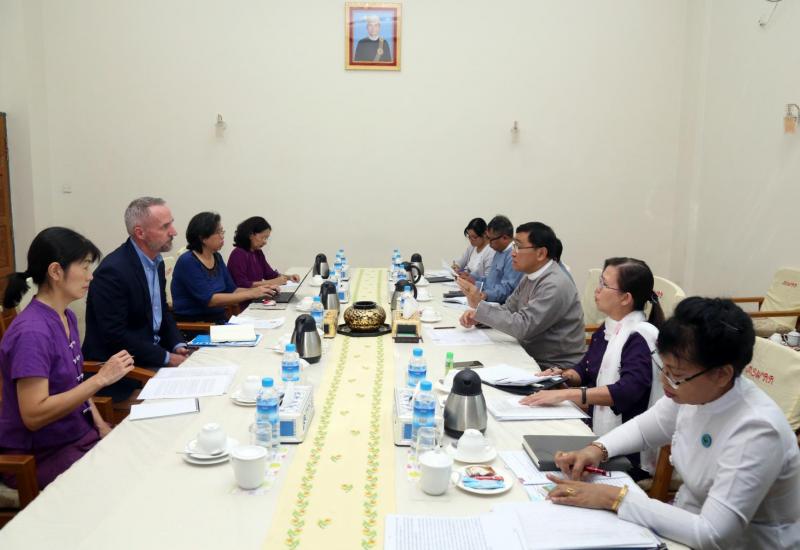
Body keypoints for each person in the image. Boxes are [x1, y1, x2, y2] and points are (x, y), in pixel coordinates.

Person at [546, 298, 800, 550]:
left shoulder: (757, 430)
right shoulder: (696, 392)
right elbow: (646, 427)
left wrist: (614, 498)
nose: (665, 382)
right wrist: (596, 450)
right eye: (664, 369)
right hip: (682, 521)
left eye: (676, 375)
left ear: (722, 374)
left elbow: (713, 534)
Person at [0, 228, 135, 489]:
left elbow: (75, 384)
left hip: (77, 436)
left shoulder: (66, 316)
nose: (90, 276)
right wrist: (100, 379)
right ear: (55, 271)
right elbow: (34, 414)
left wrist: (100, 426)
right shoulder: (32, 333)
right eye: (84, 267)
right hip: (41, 454)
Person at [520, 257, 664, 473]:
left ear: (625, 298)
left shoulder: (639, 337)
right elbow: (587, 367)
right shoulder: (609, 328)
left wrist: (568, 394)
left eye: (604, 285)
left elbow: (627, 391)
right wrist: (565, 375)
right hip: (595, 426)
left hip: (627, 449)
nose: (597, 290)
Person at [83, 197, 188, 402]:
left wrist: (177, 345)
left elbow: (162, 312)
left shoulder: (156, 262)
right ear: (140, 233)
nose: (174, 232)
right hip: (125, 372)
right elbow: (115, 336)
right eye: (165, 226)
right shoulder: (113, 271)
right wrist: (167, 358)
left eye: (172, 224)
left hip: (152, 357)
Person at [459, 222, 584, 369]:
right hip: (530, 354)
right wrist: (479, 316)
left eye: (518, 247)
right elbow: (508, 309)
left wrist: (480, 305)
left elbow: (523, 326)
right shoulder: (530, 276)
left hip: (554, 367)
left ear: (541, 253)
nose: (512, 253)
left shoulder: (554, 284)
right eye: (514, 246)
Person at [170, 212, 274, 323]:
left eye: (222, 231)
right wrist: (252, 293)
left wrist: (261, 290)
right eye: (218, 232)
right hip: (197, 325)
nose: (222, 236)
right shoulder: (188, 262)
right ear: (203, 237)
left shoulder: (216, 257)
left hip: (218, 321)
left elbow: (233, 290)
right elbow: (210, 300)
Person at [456, 215, 522, 304]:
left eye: (491, 239)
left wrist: (485, 295)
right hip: (490, 300)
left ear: (504, 238)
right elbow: (490, 281)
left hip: (501, 305)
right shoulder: (499, 250)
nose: (489, 244)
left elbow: (507, 289)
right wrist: (473, 279)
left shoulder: (514, 254)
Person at [227, 216, 300, 290]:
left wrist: (288, 277)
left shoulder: (257, 252)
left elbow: (270, 274)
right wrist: (272, 282)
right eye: (263, 237)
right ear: (251, 235)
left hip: (256, 294)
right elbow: (241, 284)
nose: (265, 242)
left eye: (266, 238)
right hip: (245, 296)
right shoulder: (238, 254)